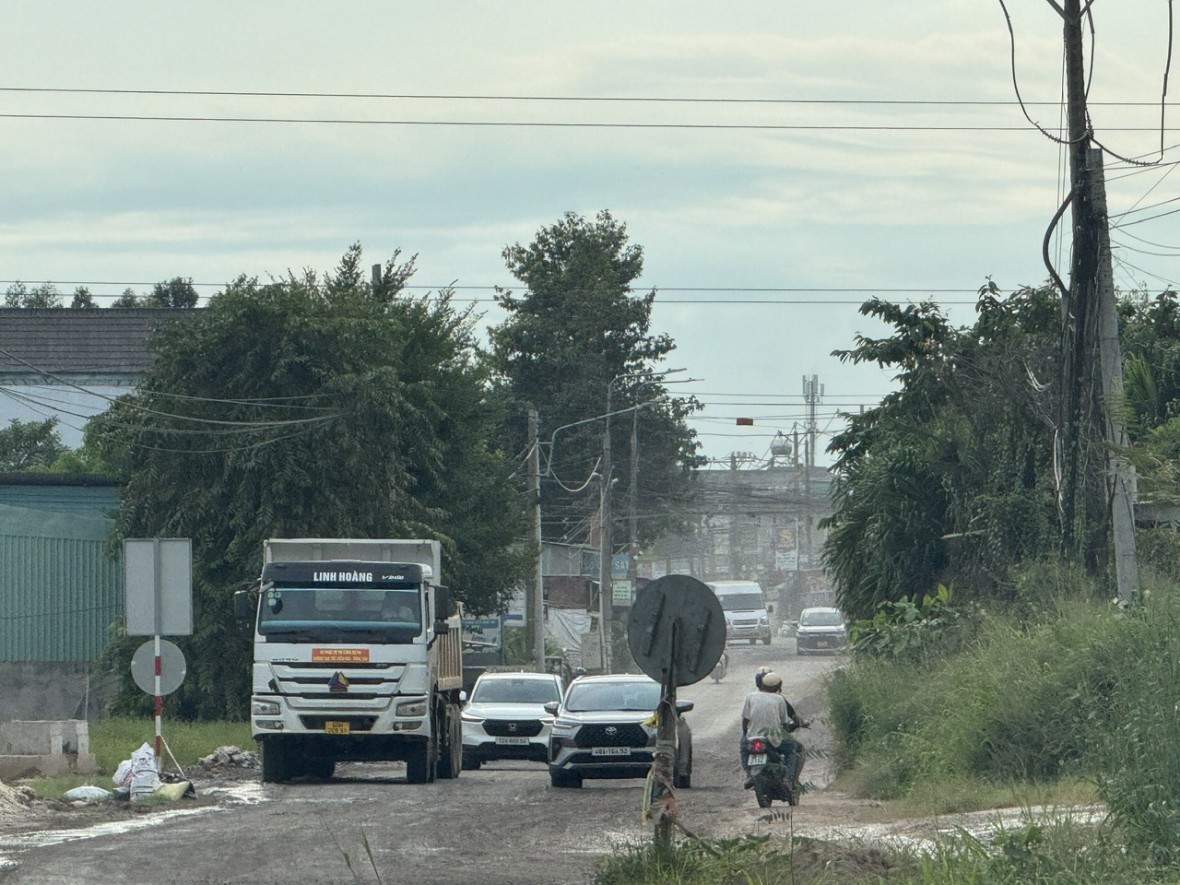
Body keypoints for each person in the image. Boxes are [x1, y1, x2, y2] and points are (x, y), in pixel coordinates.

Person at [740, 671, 805, 800]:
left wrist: (745, 735)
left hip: (753, 737)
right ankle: (789, 778)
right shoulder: (779, 699)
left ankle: (748, 775)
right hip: (773, 739)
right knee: (795, 749)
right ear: (777, 687)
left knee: (744, 750)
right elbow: (784, 723)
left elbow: (745, 720)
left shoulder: (750, 696)